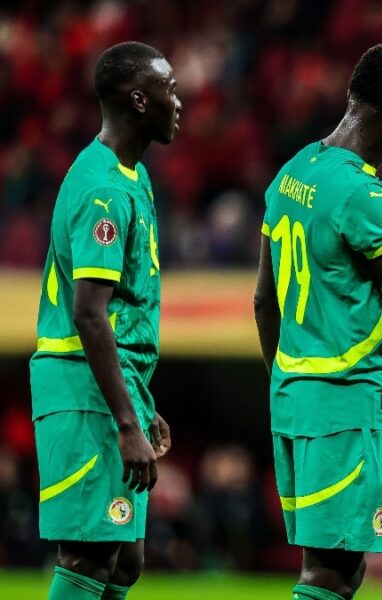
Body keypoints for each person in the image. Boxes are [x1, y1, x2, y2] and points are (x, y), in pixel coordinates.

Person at [253, 42, 382, 600]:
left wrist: (284, 381)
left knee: (337, 570)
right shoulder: (363, 194)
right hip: (346, 400)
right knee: (331, 573)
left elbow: (263, 303)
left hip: (294, 396)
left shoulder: (293, 171)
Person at [29, 41, 180, 600]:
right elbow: (89, 316)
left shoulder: (130, 175)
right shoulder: (102, 188)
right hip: (80, 384)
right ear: (140, 101)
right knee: (90, 557)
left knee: (125, 562)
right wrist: (125, 421)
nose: (179, 101)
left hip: (111, 384)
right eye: (170, 89)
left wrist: (138, 400)